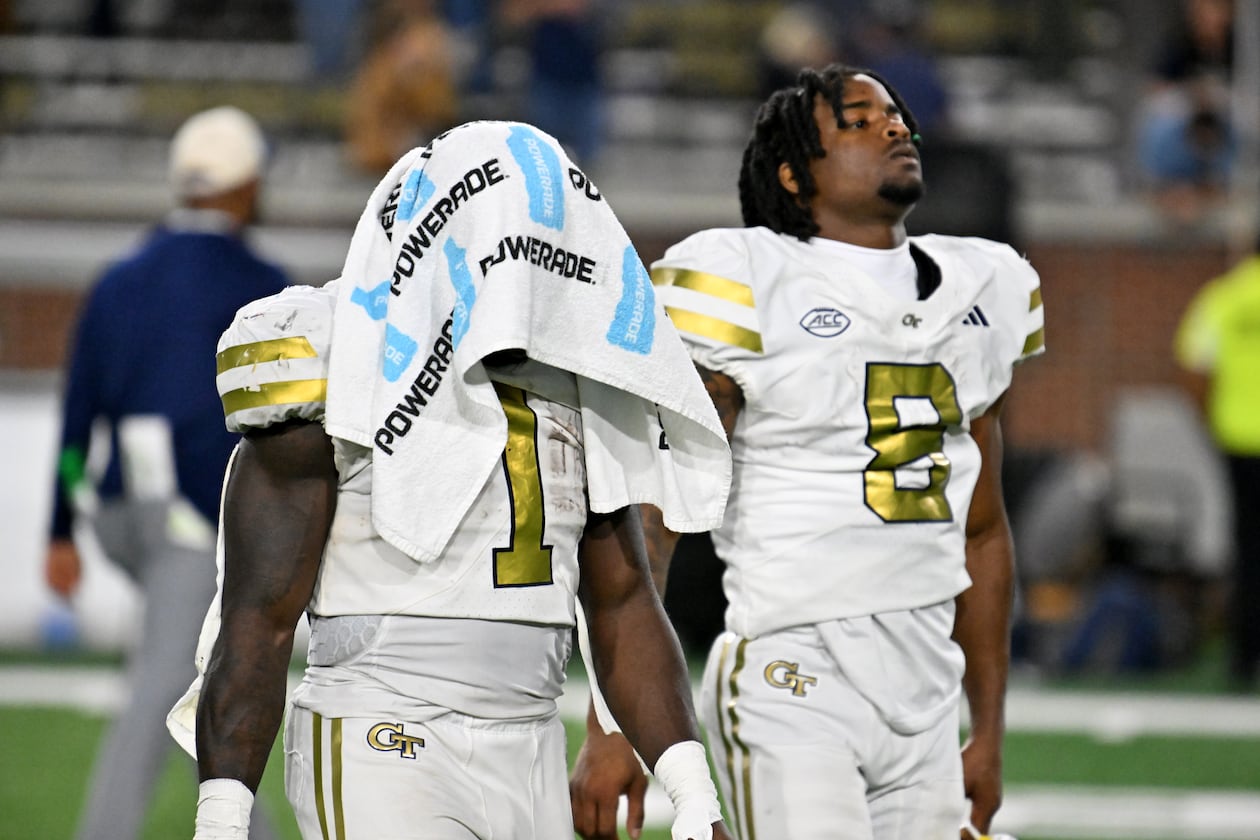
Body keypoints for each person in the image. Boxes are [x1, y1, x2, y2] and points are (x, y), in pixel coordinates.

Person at [166, 120, 735, 840]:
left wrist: (692, 794)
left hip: (529, 736)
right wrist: (220, 821)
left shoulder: (582, 376)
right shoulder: (336, 349)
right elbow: (261, 618)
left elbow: (621, 599)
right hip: (382, 732)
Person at [571, 63, 1045, 840]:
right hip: (793, 672)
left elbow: (984, 531)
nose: (896, 128)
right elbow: (658, 514)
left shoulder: (983, 286)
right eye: (858, 121)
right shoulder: (748, 279)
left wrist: (986, 730)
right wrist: (613, 721)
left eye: (896, 115)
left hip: (927, 687)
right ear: (793, 173)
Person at [44, 105, 290, 839]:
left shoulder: (117, 280)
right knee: (164, 698)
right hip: (194, 524)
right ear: (245, 186)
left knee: (194, 686)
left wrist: (61, 526)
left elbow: (73, 418)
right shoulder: (264, 284)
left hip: (120, 513)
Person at [1174, 230, 1260, 691]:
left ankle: (1244, 660)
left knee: (1248, 549)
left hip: (1240, 439)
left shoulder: (1224, 297)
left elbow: (1193, 363)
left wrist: (1212, 420)